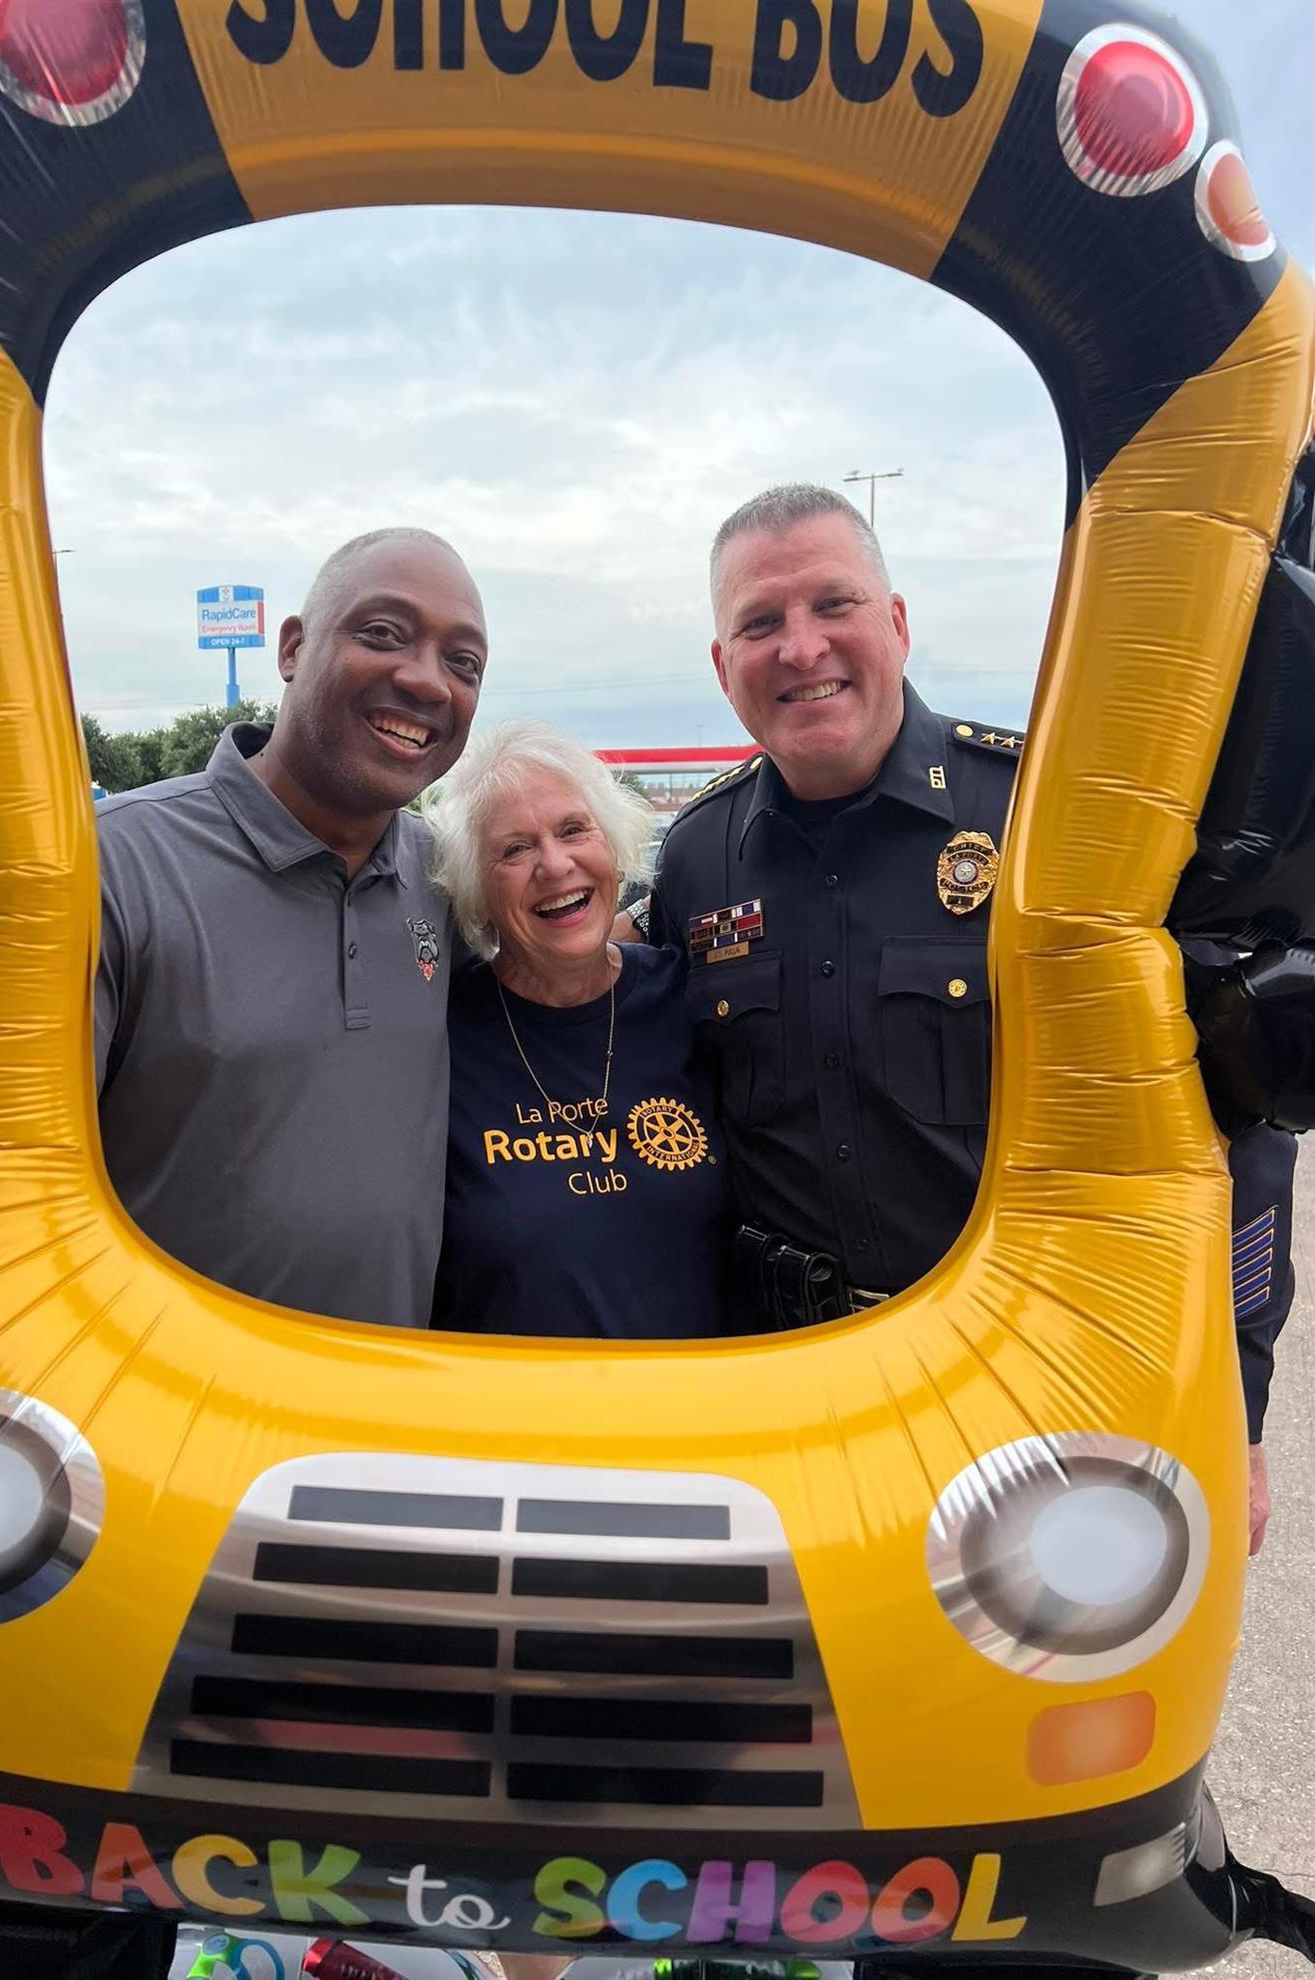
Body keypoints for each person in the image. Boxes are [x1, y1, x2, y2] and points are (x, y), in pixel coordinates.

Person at [633, 483, 1297, 1980]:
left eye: (831, 604)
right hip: (797, 1413)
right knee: (841, 1819)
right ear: (722, 664)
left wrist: (1236, 1403)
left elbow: (1236, 1137)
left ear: (897, 620)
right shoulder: (698, 864)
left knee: (1041, 1837)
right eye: (760, 622)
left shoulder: (1048, 819)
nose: (802, 646)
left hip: (1033, 1419)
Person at [0, 522, 489, 1976]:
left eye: (463, 660)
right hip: (115, 1524)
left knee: (315, 1922)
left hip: (349, 1527)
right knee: (54, 1927)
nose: (425, 680)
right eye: (385, 632)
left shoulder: (439, 888)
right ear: (294, 649)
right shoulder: (110, 872)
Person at [426, 720, 728, 1337]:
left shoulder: (689, 999)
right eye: (514, 849)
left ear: (612, 846)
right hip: (515, 1397)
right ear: (477, 889)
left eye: (573, 830)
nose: (555, 864)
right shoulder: (440, 1036)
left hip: (707, 1392)